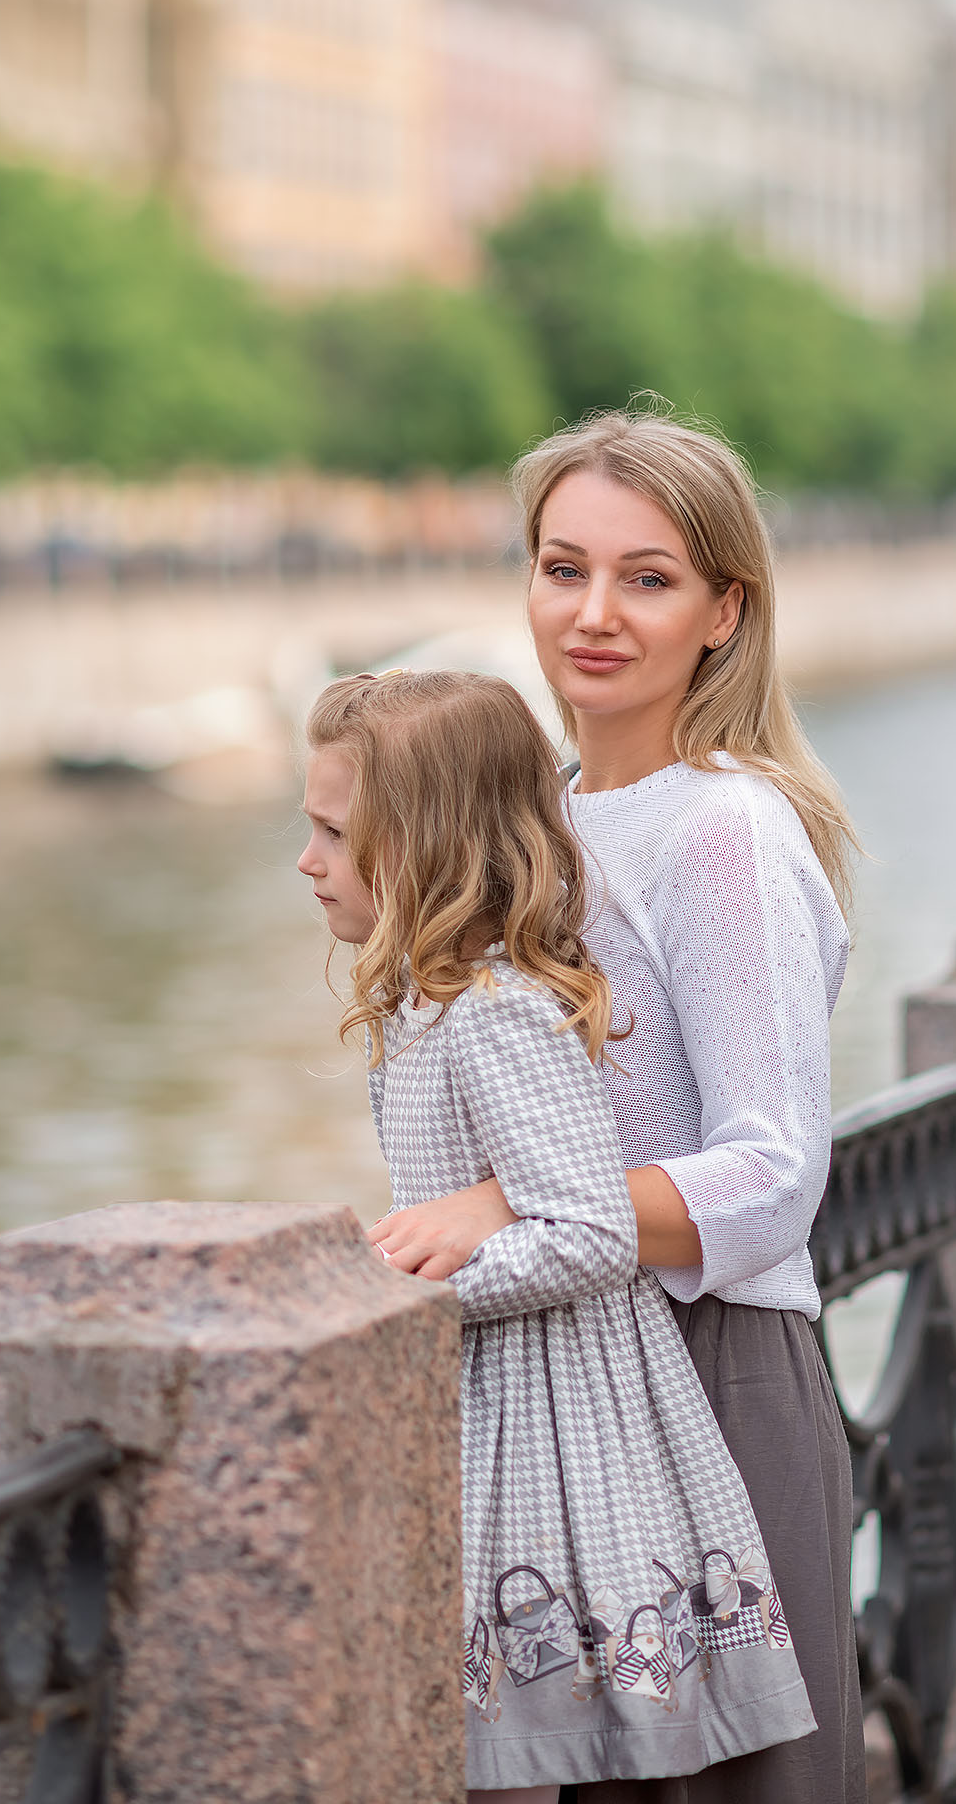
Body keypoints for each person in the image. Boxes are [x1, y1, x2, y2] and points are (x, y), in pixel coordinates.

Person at [368, 412, 867, 1804]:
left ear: (725, 609)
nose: (593, 614)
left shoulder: (722, 829)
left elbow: (773, 1176)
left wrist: (506, 1206)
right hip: (569, 1374)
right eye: (561, 567)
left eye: (646, 578)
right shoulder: (559, 810)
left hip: (710, 1372)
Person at [298, 669, 817, 1803]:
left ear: (421, 846)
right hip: (505, 1388)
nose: (308, 861)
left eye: (334, 833)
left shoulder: (493, 1014)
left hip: (552, 1401)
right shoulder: (435, 1004)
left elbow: (583, 1232)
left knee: (551, 1747)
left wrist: (421, 1293)